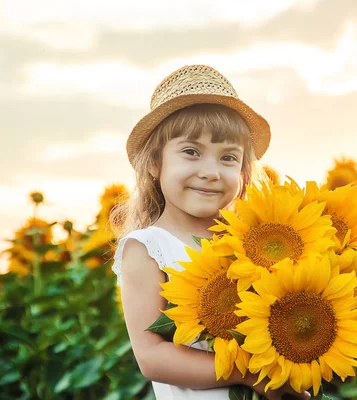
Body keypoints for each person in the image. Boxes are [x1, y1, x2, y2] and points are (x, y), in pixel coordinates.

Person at [110, 65, 310, 400]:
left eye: (228, 157)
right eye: (191, 152)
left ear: (244, 173)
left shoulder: (252, 245)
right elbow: (152, 356)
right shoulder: (147, 248)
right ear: (155, 163)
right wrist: (248, 374)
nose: (210, 172)